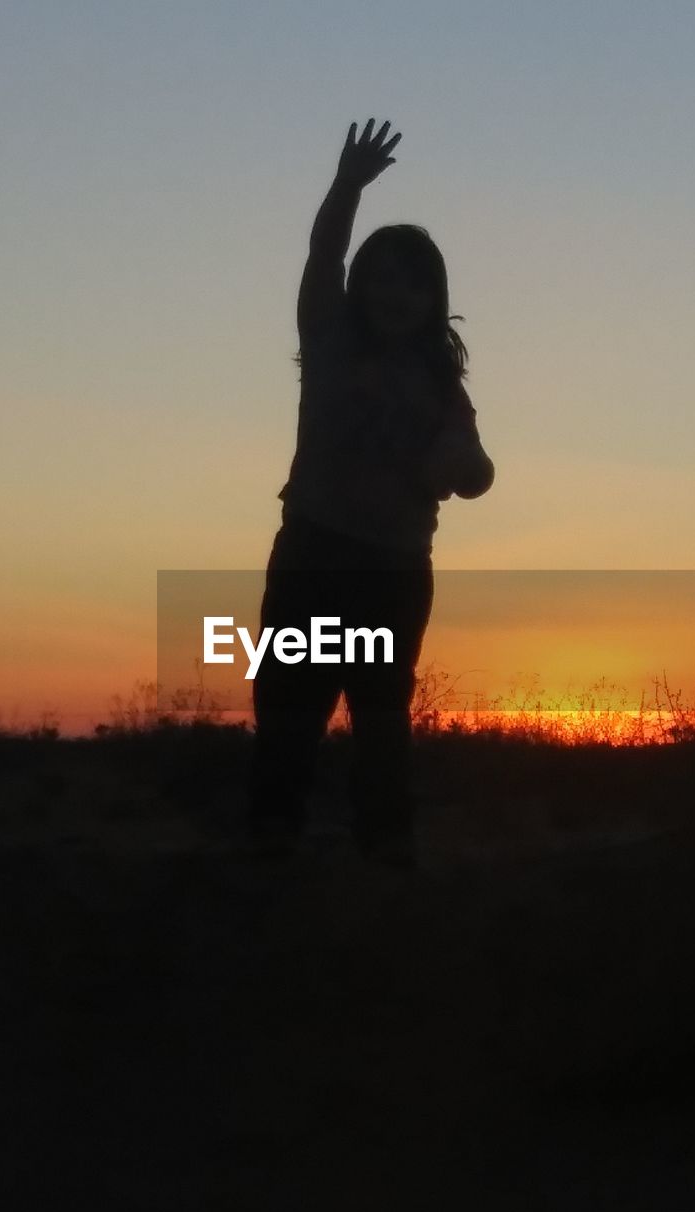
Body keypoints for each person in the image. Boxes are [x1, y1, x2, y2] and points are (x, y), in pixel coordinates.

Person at [246, 119, 495, 867]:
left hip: (392, 569)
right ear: (360, 285)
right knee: (290, 706)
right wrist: (347, 185)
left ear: (431, 298)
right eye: (381, 274)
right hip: (315, 551)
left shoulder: (440, 381)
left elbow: (480, 470)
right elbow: (323, 255)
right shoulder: (329, 338)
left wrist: (457, 463)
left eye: (412, 281)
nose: (395, 291)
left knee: (383, 711)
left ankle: (386, 853)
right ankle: (271, 841)